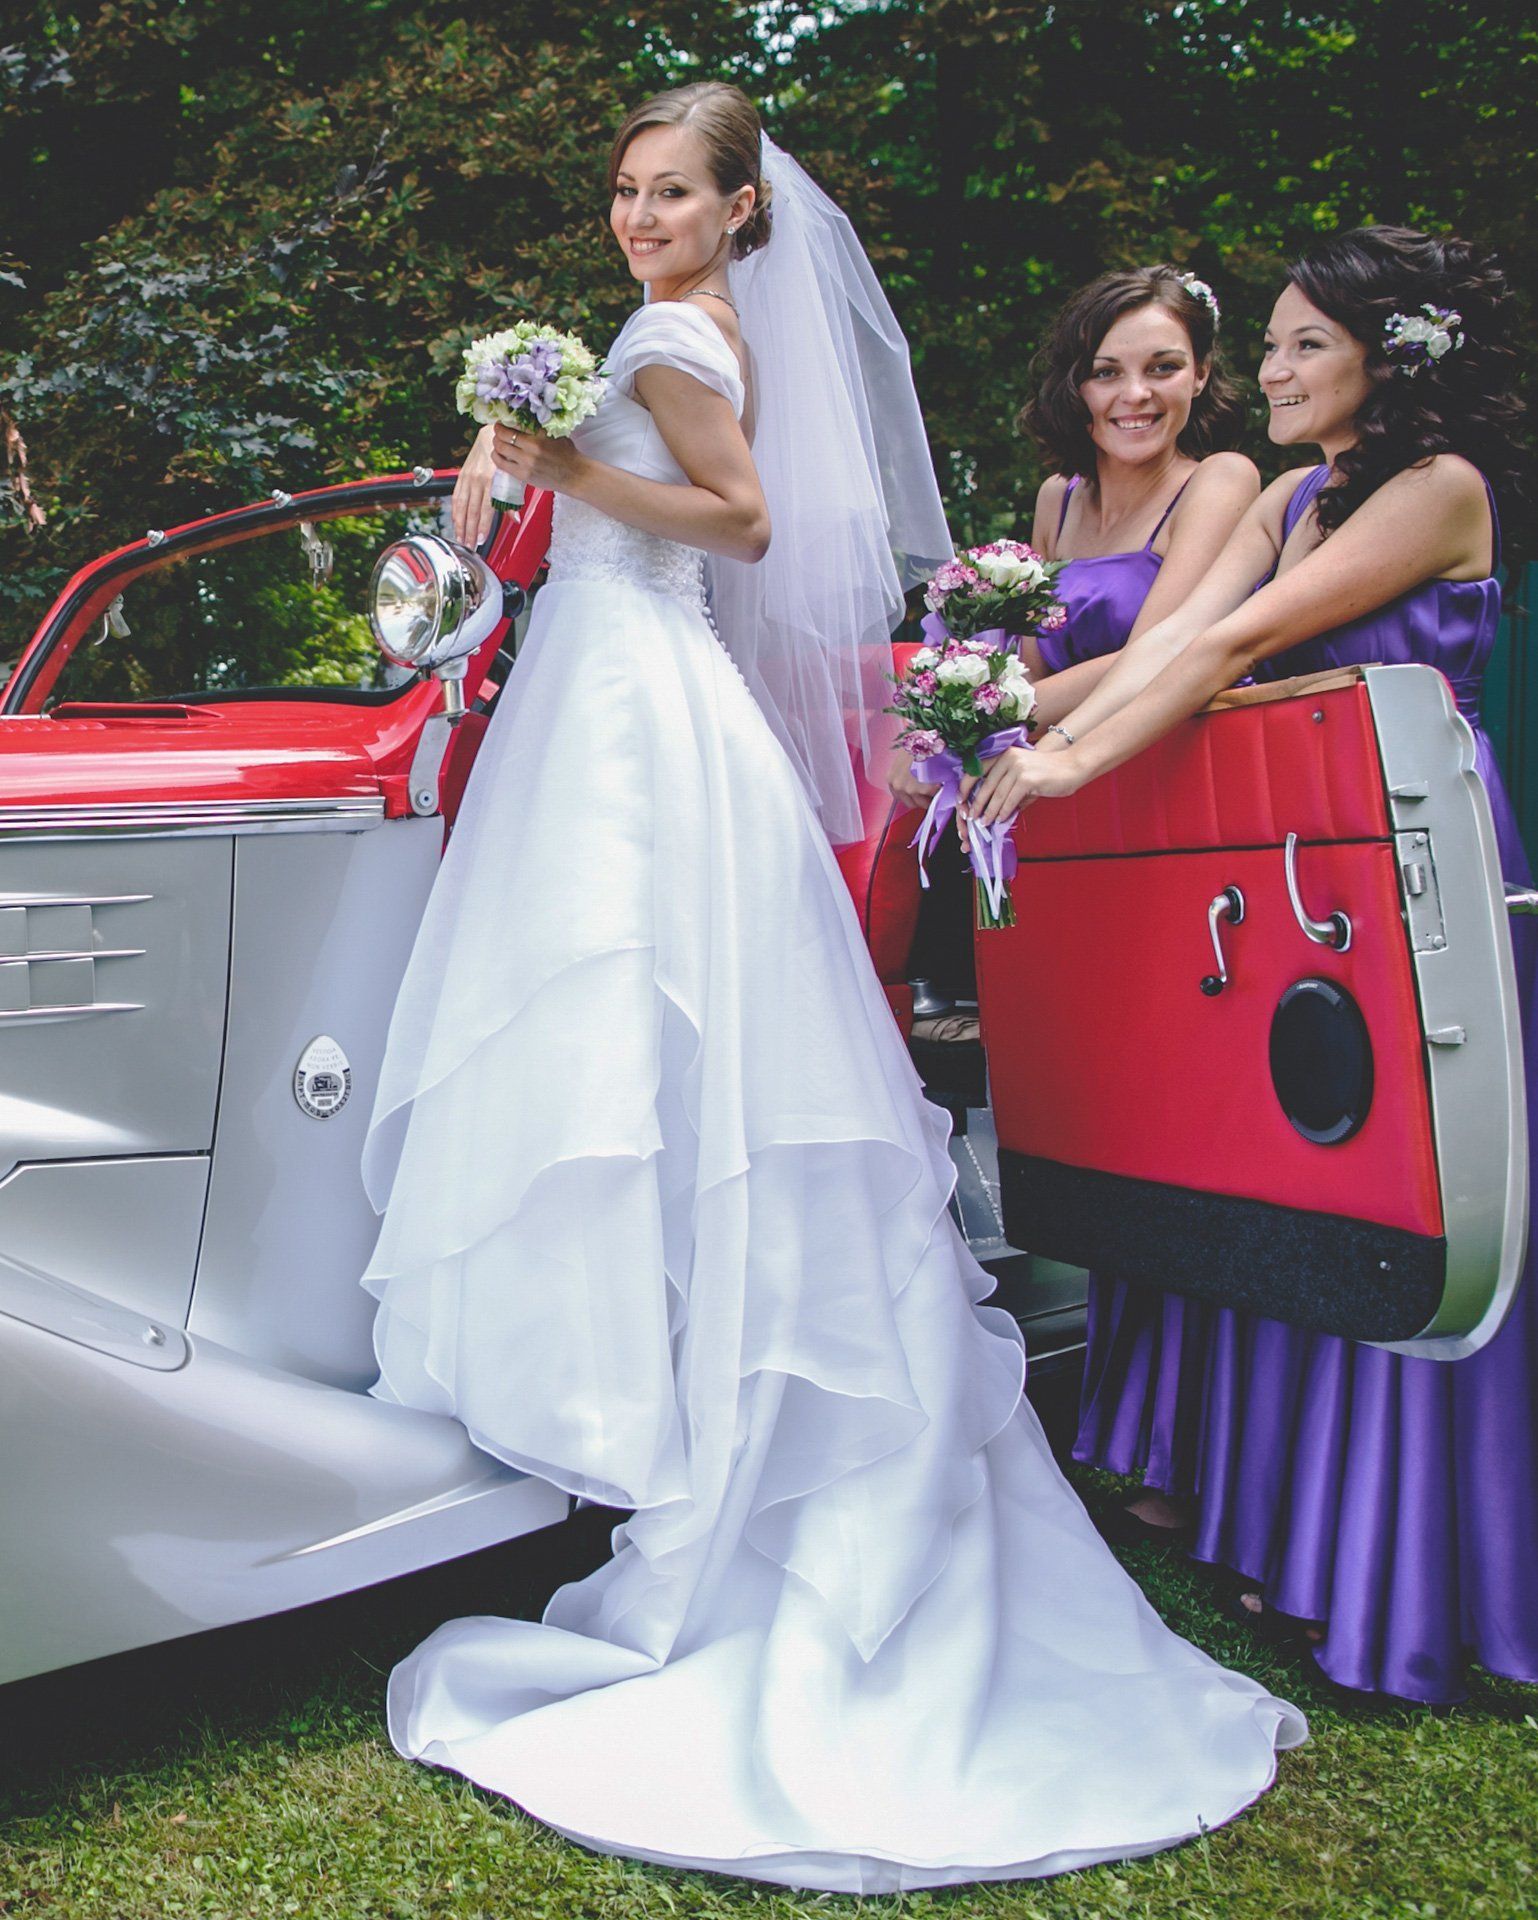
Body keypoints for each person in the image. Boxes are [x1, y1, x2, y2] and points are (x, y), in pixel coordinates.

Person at [360, 81, 1303, 1894]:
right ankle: (666, 1405)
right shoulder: (669, 327)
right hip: (611, 687)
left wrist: (561, 467)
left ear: (737, 212)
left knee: (647, 1041)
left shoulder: (675, 334)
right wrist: (505, 447)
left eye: (671, 193)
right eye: (624, 190)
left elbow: (737, 522)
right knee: (646, 1057)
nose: (639, 217)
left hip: (636, 699)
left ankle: (695, 1428)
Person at [967, 225, 1536, 1705]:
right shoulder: (1293, 493)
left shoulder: (1437, 490)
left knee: (1403, 1187)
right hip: (1299, 850)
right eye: (1271, 345)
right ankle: (1288, 1529)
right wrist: (1002, 721)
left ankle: (1406, 1577)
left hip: (1410, 850)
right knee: (1297, 1181)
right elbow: (1184, 640)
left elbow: (1238, 645)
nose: (1268, 373)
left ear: (1386, 357)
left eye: (1300, 346)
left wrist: (1063, 760)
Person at [893, 264, 1259, 1039]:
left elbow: (1163, 648)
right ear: (1076, 384)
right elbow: (1031, 660)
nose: (1136, 395)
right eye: (1107, 372)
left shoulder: (1221, 482)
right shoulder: (1058, 497)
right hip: (1052, 787)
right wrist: (937, 726)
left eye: (1163, 368)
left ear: (1200, 374)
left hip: (1159, 771)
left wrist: (972, 718)